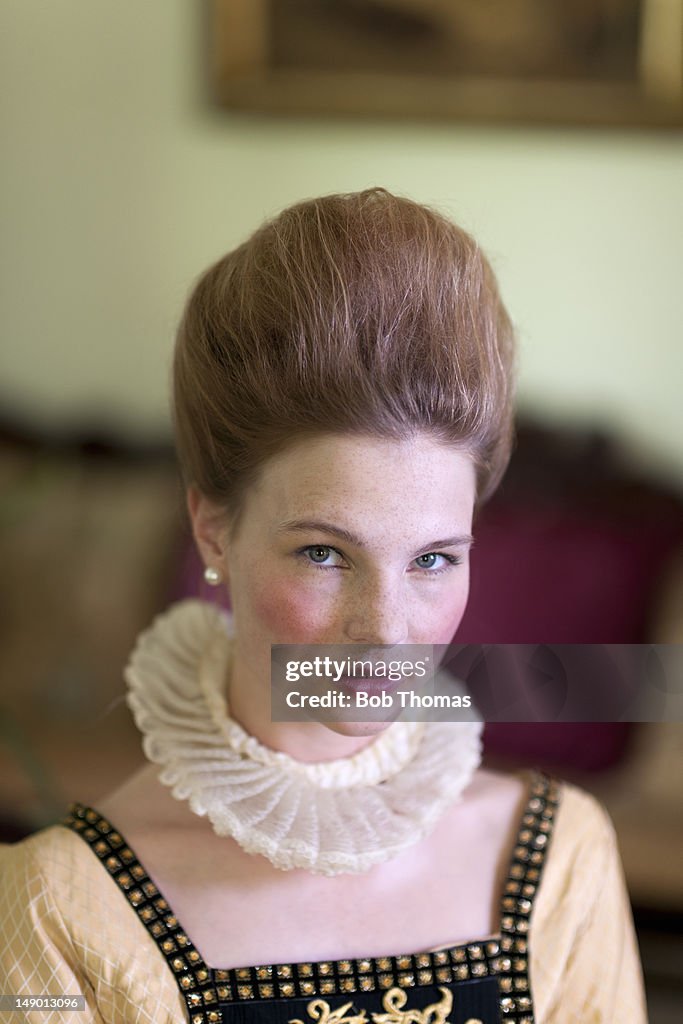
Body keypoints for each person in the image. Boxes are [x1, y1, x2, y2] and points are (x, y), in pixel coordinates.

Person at [0, 189, 646, 1023]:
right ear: (212, 529)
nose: (386, 630)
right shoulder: (62, 906)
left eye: (433, 560)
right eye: (323, 553)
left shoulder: (557, 861)